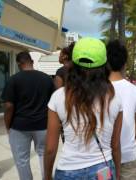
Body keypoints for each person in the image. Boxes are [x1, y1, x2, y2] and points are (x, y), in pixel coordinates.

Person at [44, 37, 123, 180]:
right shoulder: (114, 98)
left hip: (68, 171)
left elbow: (50, 149)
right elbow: (115, 145)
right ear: (105, 65)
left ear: (73, 64)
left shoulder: (58, 97)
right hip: (102, 170)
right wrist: (117, 174)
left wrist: (47, 176)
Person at [2, 52, 54, 180]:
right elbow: (53, 103)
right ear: (32, 62)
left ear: (19, 64)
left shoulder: (13, 79)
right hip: (43, 125)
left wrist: (8, 125)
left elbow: (8, 106)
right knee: (43, 155)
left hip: (19, 126)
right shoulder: (47, 79)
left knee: (22, 160)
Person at [106, 40, 136, 180]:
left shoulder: (98, 89)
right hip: (128, 155)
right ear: (124, 64)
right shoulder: (134, 90)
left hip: (104, 157)